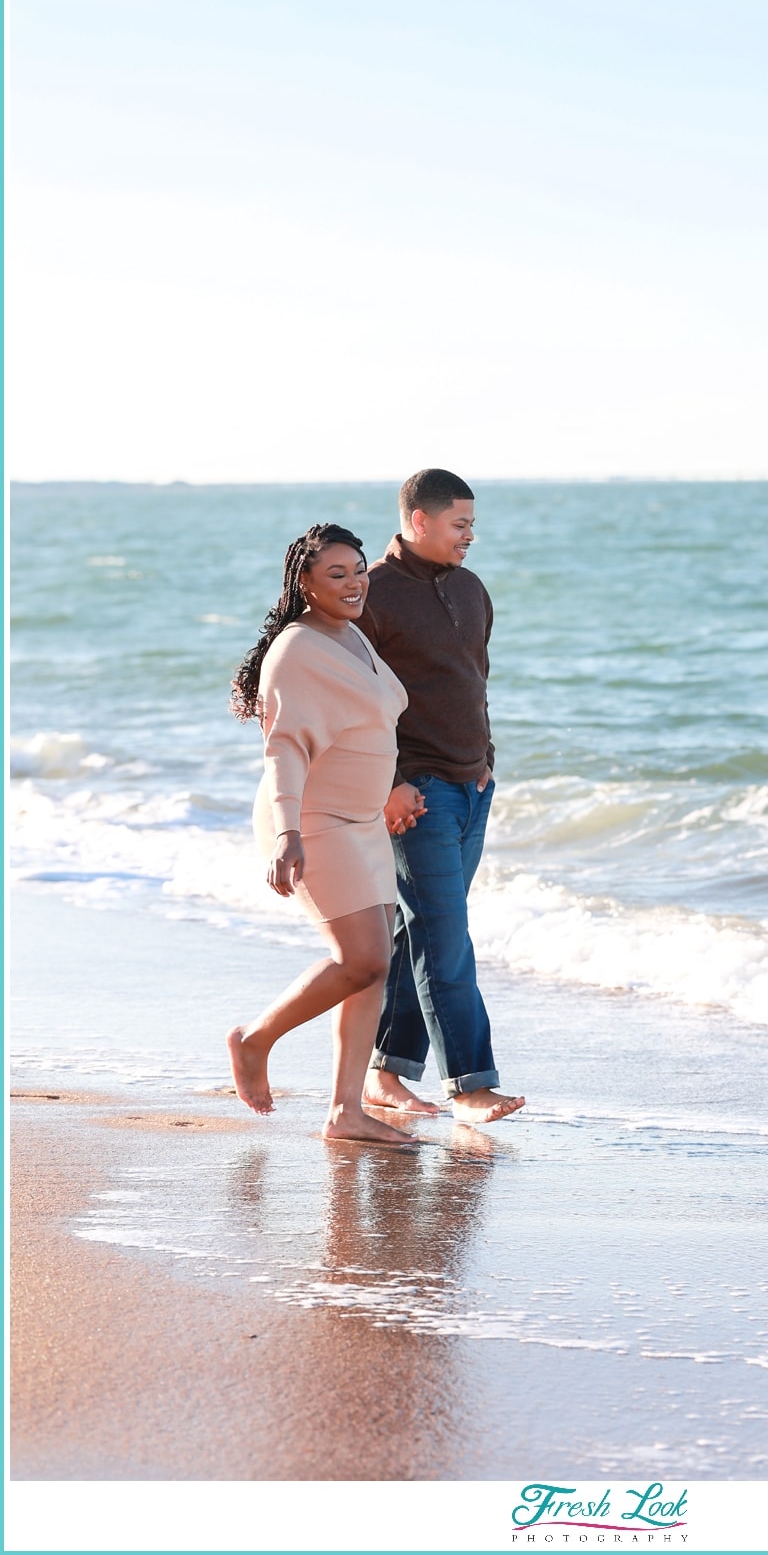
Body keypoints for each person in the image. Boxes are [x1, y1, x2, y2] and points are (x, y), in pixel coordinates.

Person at [225, 523, 425, 1145]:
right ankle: (255, 1039)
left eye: (359, 569)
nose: (354, 582)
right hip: (312, 820)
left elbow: (362, 728)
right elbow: (283, 749)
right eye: (336, 574)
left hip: (362, 821)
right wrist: (287, 833)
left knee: (376, 965)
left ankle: (345, 1111)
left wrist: (388, 787)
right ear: (304, 584)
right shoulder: (296, 650)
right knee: (361, 957)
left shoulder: (352, 640)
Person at [358, 469, 525, 1124]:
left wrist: (484, 762)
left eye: (473, 524)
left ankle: (386, 1074)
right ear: (418, 520)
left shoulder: (470, 587)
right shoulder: (371, 594)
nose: (470, 536)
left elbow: (471, 682)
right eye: (460, 525)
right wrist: (387, 782)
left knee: (420, 933)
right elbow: (351, 699)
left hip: (472, 785)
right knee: (446, 936)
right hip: (416, 793)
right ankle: (471, 1084)